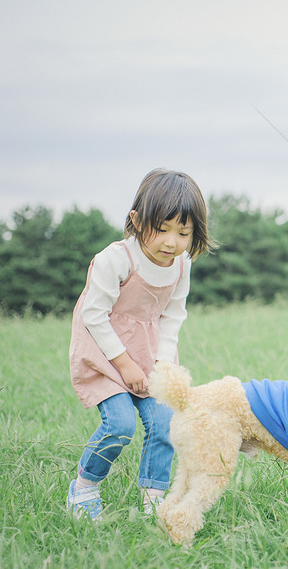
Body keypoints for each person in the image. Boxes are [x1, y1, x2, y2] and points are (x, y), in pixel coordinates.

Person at [66, 169, 213, 520]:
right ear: (136, 219)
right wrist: (125, 365)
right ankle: (85, 487)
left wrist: (162, 364)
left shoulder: (182, 264)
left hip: (150, 354)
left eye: (183, 232)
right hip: (105, 351)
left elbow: (173, 315)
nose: (171, 242)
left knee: (164, 423)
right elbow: (93, 315)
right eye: (161, 229)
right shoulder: (115, 259)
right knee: (120, 425)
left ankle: (153, 497)